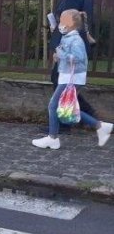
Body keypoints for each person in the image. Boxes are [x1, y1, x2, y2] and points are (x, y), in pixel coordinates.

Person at [33, 9, 112, 150]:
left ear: (70, 24)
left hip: (71, 78)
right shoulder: (69, 37)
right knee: (67, 109)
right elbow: (68, 56)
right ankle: (100, 126)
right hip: (70, 77)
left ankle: (53, 138)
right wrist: (59, 56)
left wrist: (61, 54)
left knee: (53, 106)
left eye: (62, 21)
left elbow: (78, 58)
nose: (60, 24)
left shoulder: (75, 40)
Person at [48, 0, 97, 131]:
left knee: (59, 80)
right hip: (79, 43)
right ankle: (84, 118)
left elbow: (69, 22)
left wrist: (58, 48)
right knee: (65, 82)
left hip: (70, 45)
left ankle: (68, 123)